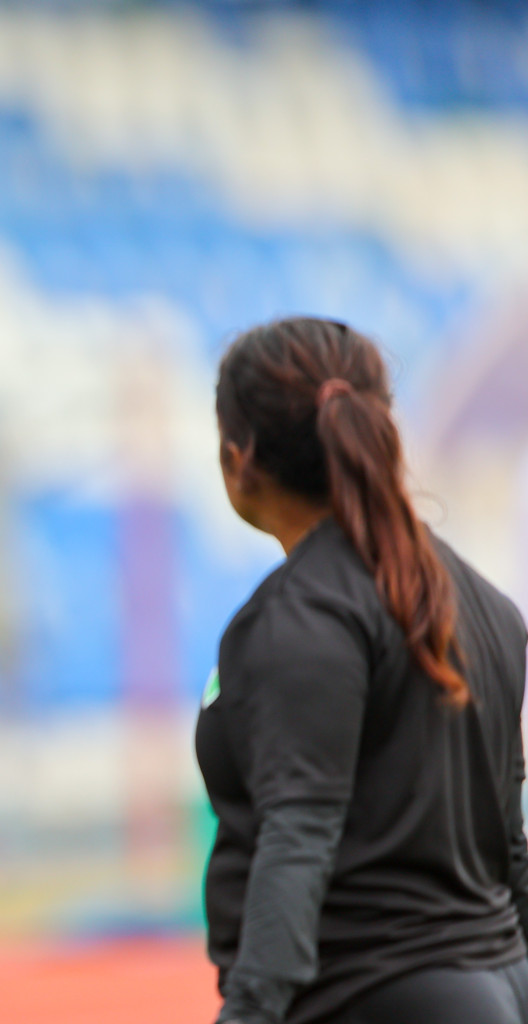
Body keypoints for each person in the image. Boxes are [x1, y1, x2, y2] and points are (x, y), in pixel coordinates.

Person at [198, 317, 528, 1024]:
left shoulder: (299, 618)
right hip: (494, 989)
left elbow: (297, 840)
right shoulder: (488, 608)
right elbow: (512, 850)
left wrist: (248, 1014)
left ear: (238, 457)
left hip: (368, 999)